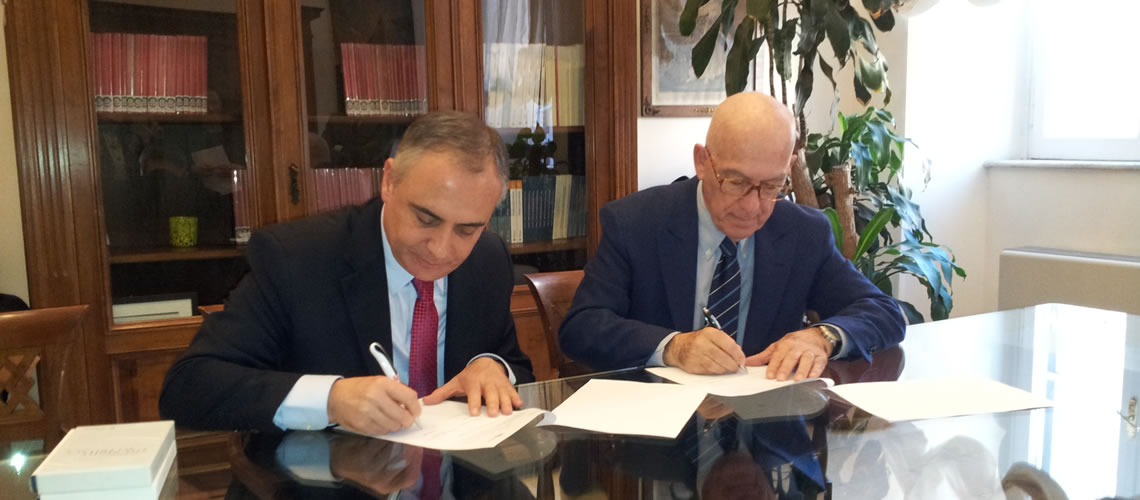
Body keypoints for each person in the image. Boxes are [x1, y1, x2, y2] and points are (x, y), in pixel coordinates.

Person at [160, 111, 534, 436]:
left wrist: (493, 368)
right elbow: (190, 386)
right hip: (322, 480)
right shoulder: (297, 259)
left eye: (467, 230)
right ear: (389, 181)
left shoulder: (487, 260)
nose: (440, 249)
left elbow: (515, 366)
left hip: (455, 477)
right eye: (426, 219)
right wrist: (330, 399)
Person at [559, 92, 904, 381]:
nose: (753, 207)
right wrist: (674, 347)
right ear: (702, 161)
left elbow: (884, 311)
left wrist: (822, 336)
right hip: (659, 426)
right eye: (736, 182)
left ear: (789, 168)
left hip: (765, 425)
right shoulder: (636, 223)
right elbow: (582, 328)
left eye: (772, 185)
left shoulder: (804, 233)